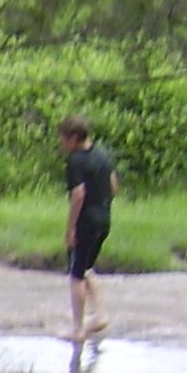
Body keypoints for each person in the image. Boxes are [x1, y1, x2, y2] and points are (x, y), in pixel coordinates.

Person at [58, 114, 119, 343]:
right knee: (87, 267)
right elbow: (113, 185)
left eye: (63, 139)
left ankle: (78, 329)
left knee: (76, 275)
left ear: (73, 138)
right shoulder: (102, 154)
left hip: (86, 221)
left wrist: (71, 228)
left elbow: (77, 195)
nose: (61, 144)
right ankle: (100, 314)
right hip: (104, 218)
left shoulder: (75, 161)